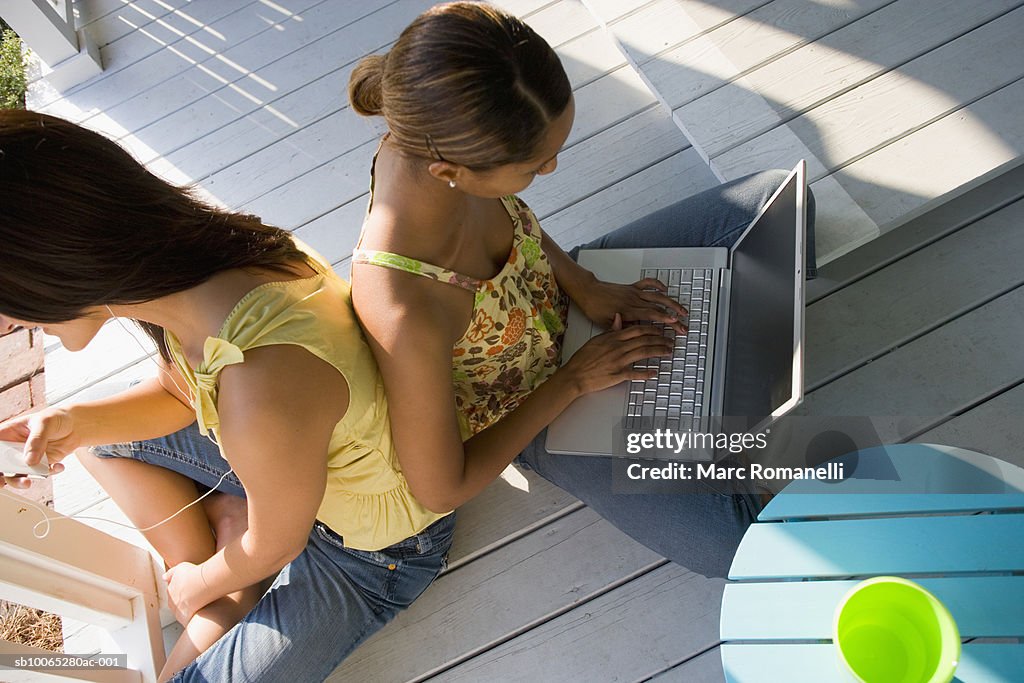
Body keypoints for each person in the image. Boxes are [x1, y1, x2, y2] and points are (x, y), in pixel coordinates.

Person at [347, 1, 816, 578]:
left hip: (572, 301)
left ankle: (712, 377)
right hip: (536, 403)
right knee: (737, 544)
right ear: (454, 173)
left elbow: (522, 228)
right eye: (535, 165)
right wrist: (575, 379)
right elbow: (442, 486)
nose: (551, 170)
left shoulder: (439, 142)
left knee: (779, 200)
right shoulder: (403, 305)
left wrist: (587, 284)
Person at [0, 110, 454, 682]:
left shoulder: (258, 382)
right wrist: (72, 423)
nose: (6, 323)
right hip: (292, 466)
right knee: (103, 443)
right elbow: (182, 393)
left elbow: (279, 543)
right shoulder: (201, 266)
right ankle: (229, 552)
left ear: (60, 270)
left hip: (371, 548)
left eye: (7, 301)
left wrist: (201, 580)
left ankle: (225, 578)